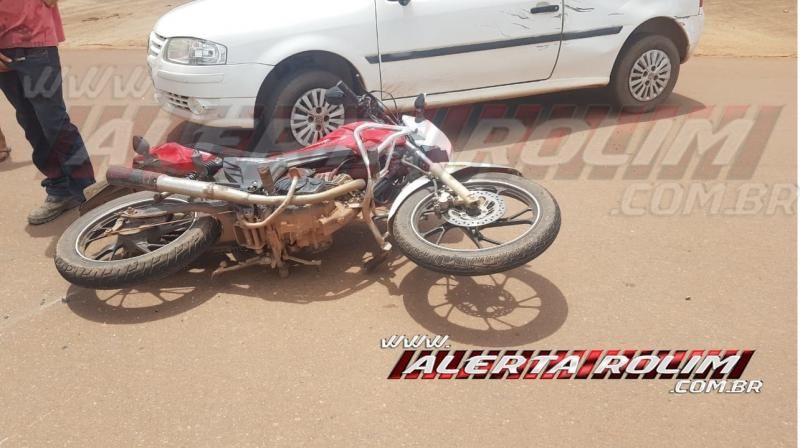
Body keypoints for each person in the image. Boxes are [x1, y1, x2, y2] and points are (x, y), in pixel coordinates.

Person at [0, 0, 96, 225]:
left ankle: (87, 191)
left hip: (36, 43)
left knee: (53, 122)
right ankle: (59, 189)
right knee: (30, 123)